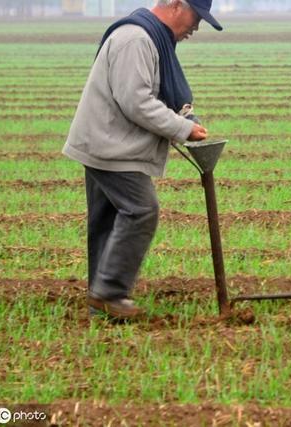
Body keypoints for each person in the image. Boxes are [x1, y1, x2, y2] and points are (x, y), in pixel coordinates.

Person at [62, 0, 222, 319]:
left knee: (106, 222)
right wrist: (182, 128)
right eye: (196, 16)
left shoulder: (151, 36)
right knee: (141, 209)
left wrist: (185, 118)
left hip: (103, 142)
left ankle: (101, 304)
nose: (196, 26)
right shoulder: (137, 38)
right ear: (176, 4)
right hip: (111, 147)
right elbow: (136, 102)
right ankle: (110, 293)